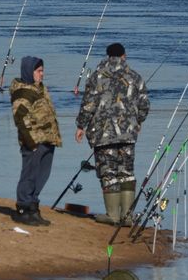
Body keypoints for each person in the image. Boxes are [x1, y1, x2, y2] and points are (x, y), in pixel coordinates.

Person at [75, 43, 150, 225]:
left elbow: (88, 105)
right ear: (124, 55)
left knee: (108, 173)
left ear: (108, 56)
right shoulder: (135, 77)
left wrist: (81, 126)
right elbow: (145, 105)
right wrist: (138, 122)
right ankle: (127, 217)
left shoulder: (96, 77)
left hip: (103, 136)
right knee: (127, 172)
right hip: (128, 136)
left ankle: (113, 215)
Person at [10, 56, 62, 226]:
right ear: (29, 72)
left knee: (42, 175)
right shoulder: (23, 92)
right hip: (33, 142)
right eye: (39, 71)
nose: (42, 74)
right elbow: (20, 118)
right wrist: (30, 143)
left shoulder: (40, 89)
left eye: (42, 71)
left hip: (48, 139)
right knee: (29, 175)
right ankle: (23, 208)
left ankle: (33, 207)